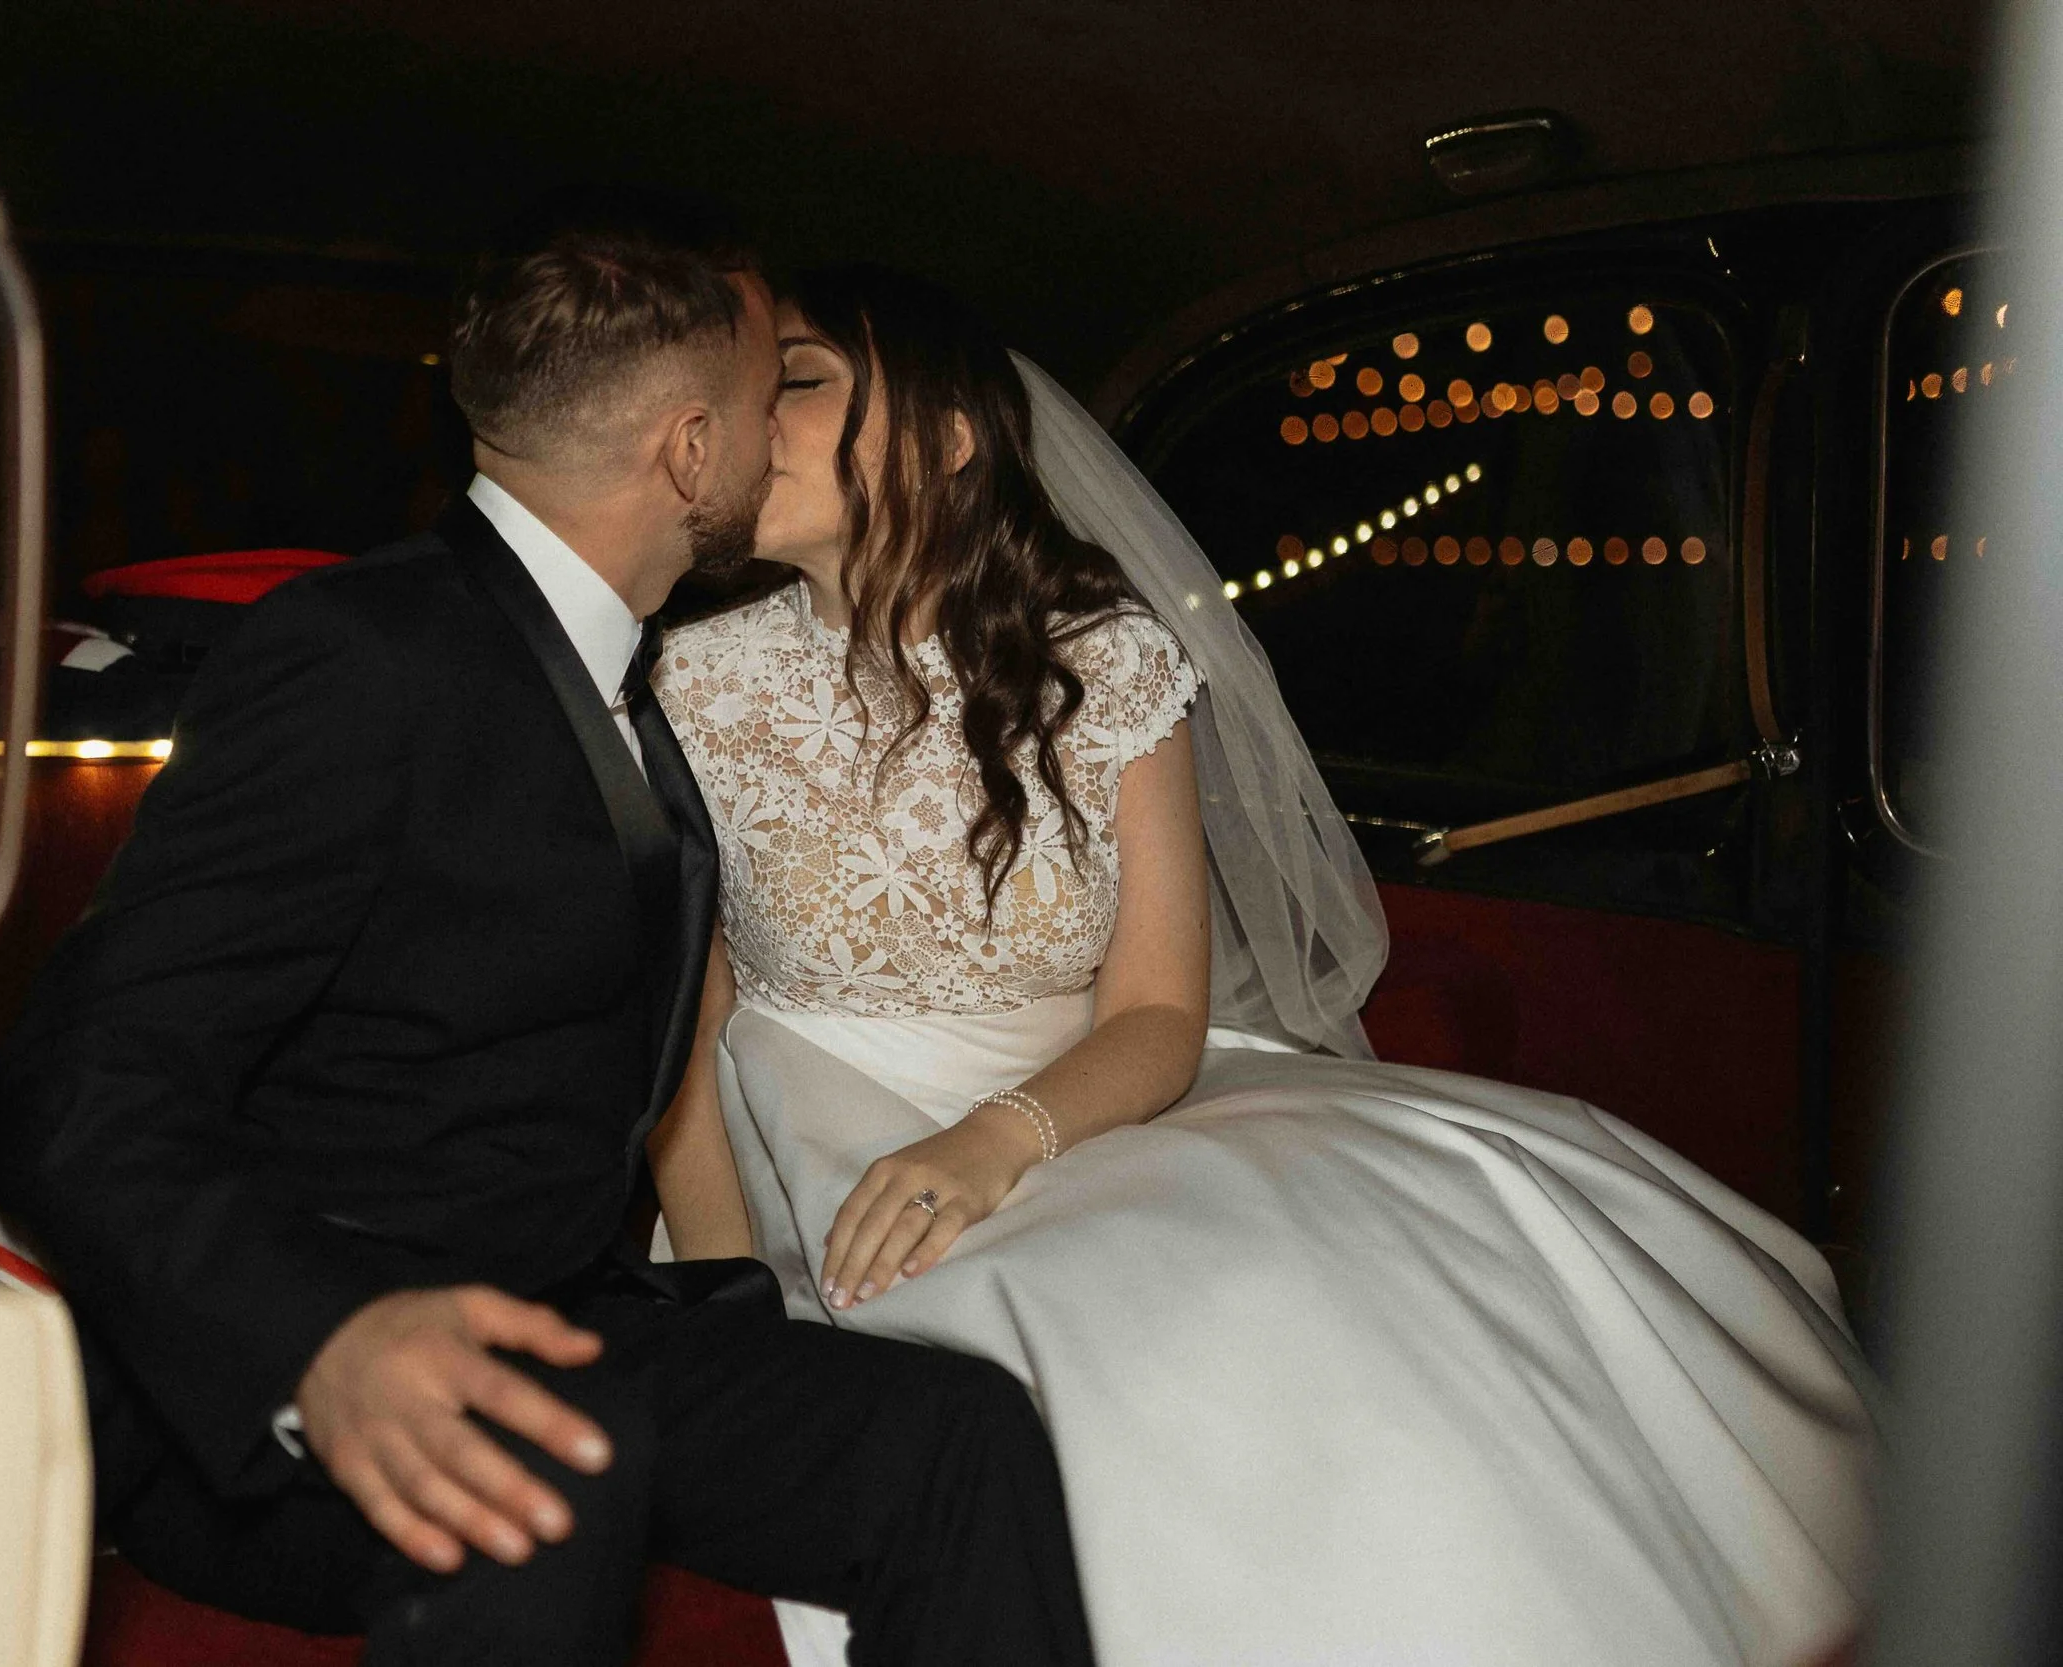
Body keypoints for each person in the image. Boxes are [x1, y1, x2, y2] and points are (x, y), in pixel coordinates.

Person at [648, 264, 1878, 1667]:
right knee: (1138, 1316)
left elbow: (1158, 1011)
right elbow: (687, 1028)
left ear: (944, 437)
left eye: (798, 381)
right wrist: (727, 1303)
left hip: (1088, 1102)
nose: (746, 418)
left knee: (1440, 1227)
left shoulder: (1108, 662)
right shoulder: (687, 685)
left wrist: (999, 1139)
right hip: (825, 1139)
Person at [0, 223, 1095, 1667]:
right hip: (313, 1379)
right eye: (771, 398)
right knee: (538, 1482)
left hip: (567, 1319)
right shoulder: (361, 654)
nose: (779, 436)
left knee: (955, 1435)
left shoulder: (628, 662)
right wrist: (322, 1340)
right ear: (693, 450)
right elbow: (71, 1091)